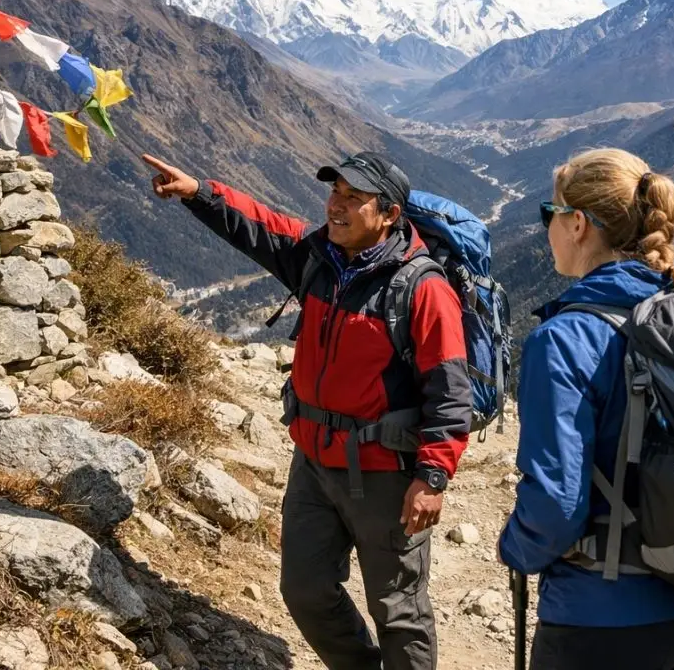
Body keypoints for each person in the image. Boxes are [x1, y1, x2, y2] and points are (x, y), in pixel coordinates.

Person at [141, 151, 472, 670]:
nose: (336, 206)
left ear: (389, 214)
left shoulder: (422, 288)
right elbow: (258, 226)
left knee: (399, 611)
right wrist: (198, 193)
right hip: (314, 464)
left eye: (353, 198)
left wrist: (432, 477)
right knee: (304, 590)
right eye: (335, 192)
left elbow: (450, 392)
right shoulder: (318, 258)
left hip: (384, 473)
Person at [498, 148, 674, 670]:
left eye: (549, 214)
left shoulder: (566, 339)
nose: (547, 229)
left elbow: (556, 505)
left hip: (608, 612)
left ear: (577, 224)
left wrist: (515, 548)